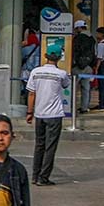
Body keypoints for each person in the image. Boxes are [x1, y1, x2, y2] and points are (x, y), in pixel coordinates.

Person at [26, 49, 71, 186]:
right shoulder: (61, 74)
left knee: (39, 145)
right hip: (55, 114)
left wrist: (29, 112)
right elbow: (66, 85)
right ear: (58, 58)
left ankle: (34, 175)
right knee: (50, 147)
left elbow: (31, 94)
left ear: (46, 57)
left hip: (39, 113)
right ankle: (43, 177)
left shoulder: (35, 72)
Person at [70, 20, 95, 114]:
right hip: (88, 66)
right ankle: (84, 107)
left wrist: (75, 63)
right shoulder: (92, 38)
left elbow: (75, 52)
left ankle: (71, 106)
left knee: (73, 88)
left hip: (78, 67)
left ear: (79, 28)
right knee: (86, 88)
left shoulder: (78, 38)